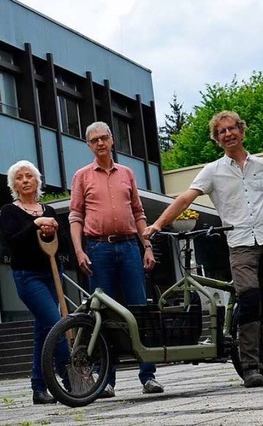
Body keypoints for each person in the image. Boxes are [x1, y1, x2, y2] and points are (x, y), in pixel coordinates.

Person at [143, 111, 263, 388]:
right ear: (217, 139)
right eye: (221, 132)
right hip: (240, 245)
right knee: (249, 301)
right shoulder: (213, 171)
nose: (227, 134)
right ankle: (250, 367)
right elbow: (185, 198)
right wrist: (157, 224)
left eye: (231, 129)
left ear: (241, 130)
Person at [69, 121, 164, 398]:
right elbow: (75, 216)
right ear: (88, 145)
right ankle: (106, 380)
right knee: (104, 315)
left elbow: (138, 212)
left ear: (112, 141)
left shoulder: (127, 173)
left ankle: (148, 375)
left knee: (138, 309)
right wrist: (79, 251)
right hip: (98, 249)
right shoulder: (82, 176)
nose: (100, 143)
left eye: (104, 138)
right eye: (94, 139)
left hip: (129, 248)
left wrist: (146, 246)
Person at [0, 160, 68, 404]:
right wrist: (34, 226)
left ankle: (38, 388)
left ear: (37, 181)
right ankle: (73, 381)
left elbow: (62, 243)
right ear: (14, 184)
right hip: (28, 276)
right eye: (20, 177)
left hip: (52, 273)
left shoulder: (49, 211)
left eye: (30, 176)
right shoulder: (10, 211)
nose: (25, 180)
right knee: (57, 326)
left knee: (43, 332)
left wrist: (53, 231)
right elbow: (13, 242)